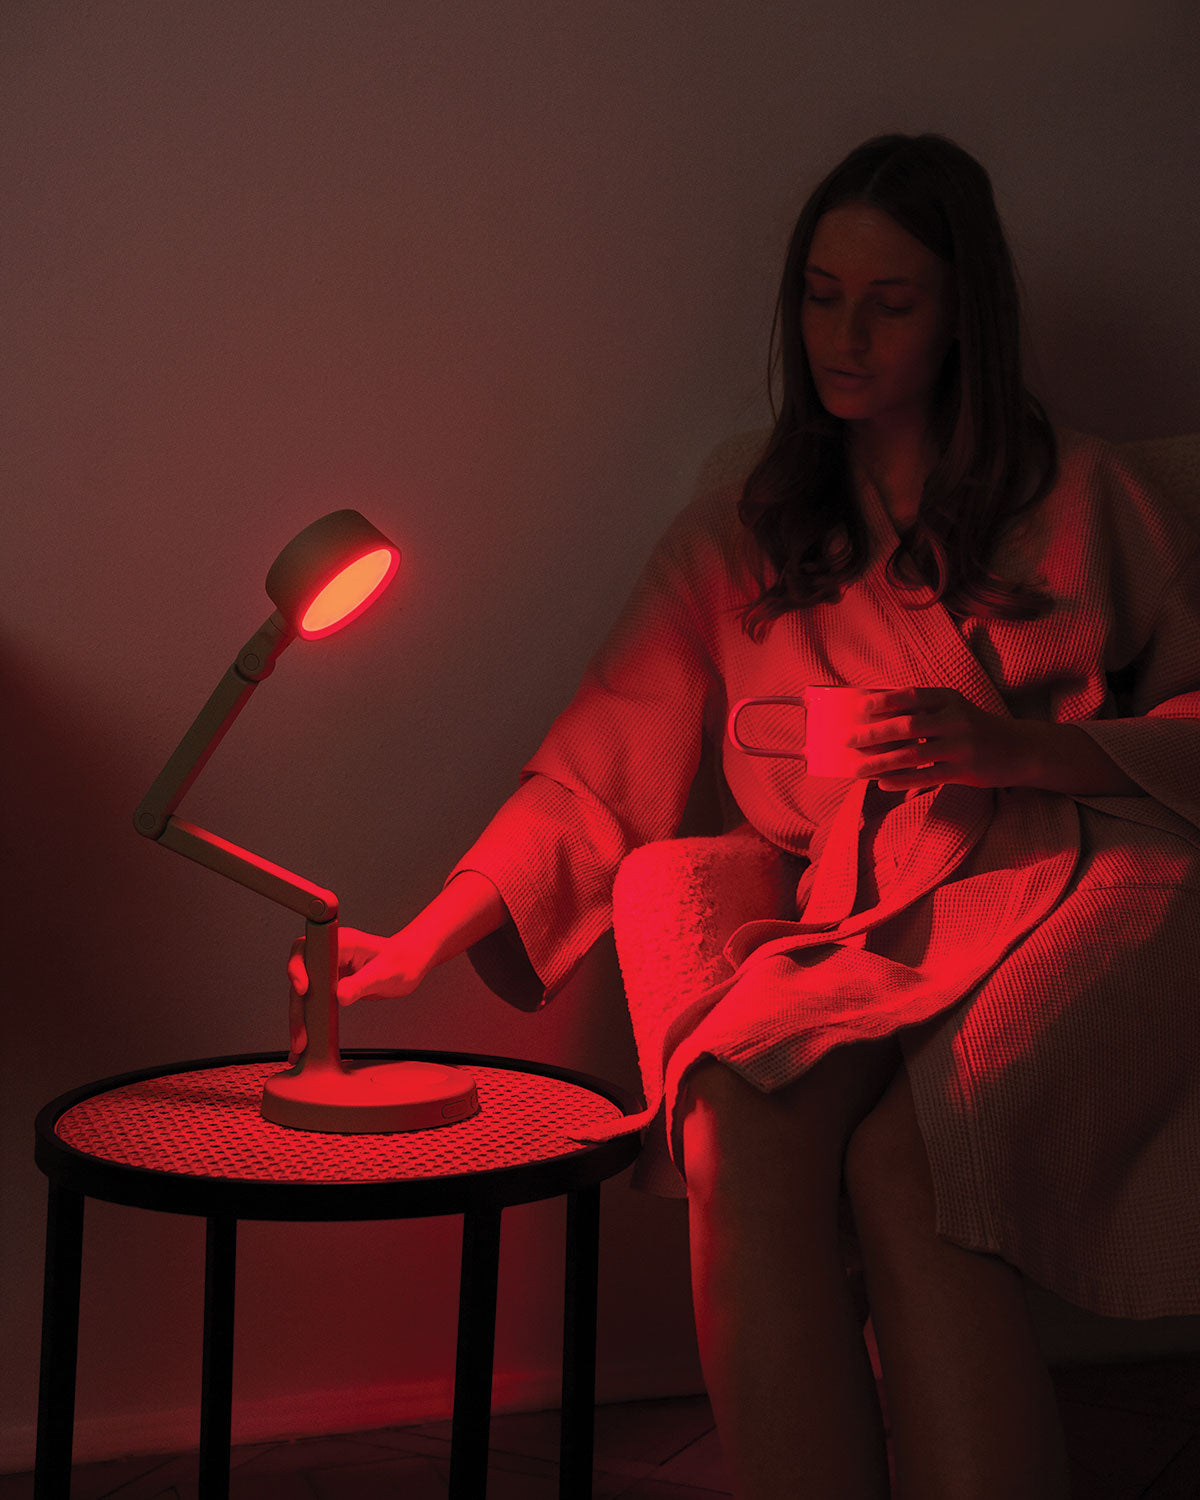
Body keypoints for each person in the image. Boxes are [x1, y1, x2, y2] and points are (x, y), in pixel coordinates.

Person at [290, 134, 1200, 1499]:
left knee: (915, 1160)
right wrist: (422, 941)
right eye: (823, 296)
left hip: (1091, 880)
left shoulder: (1086, 496)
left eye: (890, 304)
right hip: (877, 910)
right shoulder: (744, 533)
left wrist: (1019, 748)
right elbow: (598, 766)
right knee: (737, 1120)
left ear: (965, 314)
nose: (847, 335)